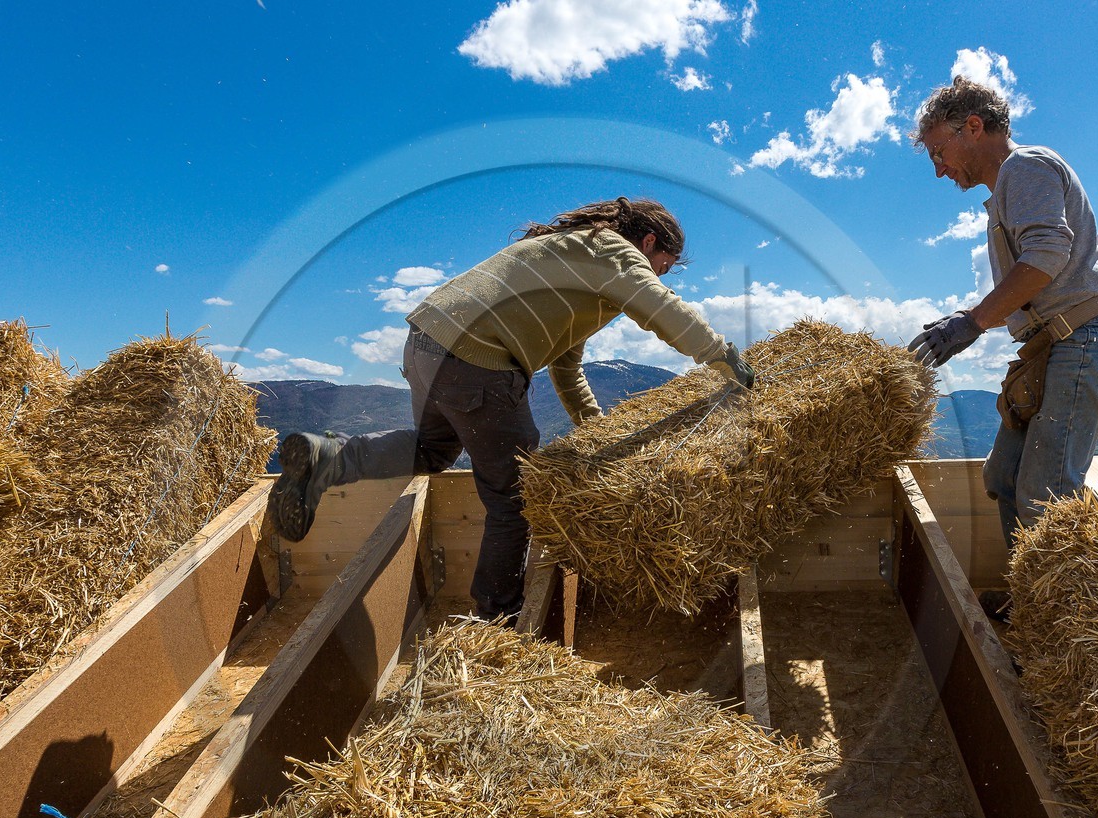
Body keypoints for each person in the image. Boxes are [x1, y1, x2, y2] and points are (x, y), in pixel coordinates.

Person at [269, 196, 753, 621]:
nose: (659, 275)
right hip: (479, 360)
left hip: (426, 343)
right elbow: (662, 309)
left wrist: (596, 428)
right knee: (514, 497)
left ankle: (325, 458)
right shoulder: (615, 251)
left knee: (432, 450)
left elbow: (566, 367)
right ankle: (498, 617)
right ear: (648, 242)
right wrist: (725, 357)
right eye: (663, 265)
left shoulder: (573, 256)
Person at [909, 77, 1098, 565]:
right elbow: (1071, 259)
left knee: (1047, 496)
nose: (938, 170)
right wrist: (974, 319)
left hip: (1087, 342)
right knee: (1004, 478)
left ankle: (1069, 623)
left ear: (973, 127)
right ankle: (1032, 598)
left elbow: (1047, 255)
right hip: (1059, 347)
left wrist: (972, 322)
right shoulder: (1009, 189)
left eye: (938, 151)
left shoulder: (1025, 166)